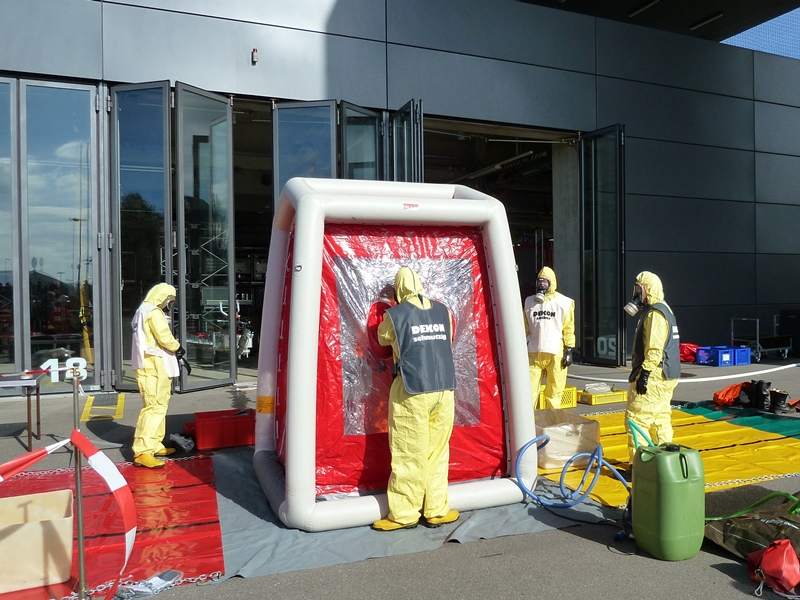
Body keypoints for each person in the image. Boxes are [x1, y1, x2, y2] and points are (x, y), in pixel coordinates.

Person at [372, 266, 459, 531]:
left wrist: (385, 309)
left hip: (412, 390)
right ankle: (436, 510)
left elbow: (382, 339)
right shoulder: (443, 311)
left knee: (409, 453)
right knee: (437, 452)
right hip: (444, 389)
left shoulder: (395, 315)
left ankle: (404, 514)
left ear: (398, 290)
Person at [624, 271, 680, 464]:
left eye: (640, 289)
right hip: (667, 374)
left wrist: (645, 374)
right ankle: (666, 463)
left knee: (637, 419)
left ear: (648, 289)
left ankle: (638, 466)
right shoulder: (664, 309)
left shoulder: (655, 314)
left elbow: (654, 348)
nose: (636, 294)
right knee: (660, 419)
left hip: (654, 376)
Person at [131, 283, 185, 468]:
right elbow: (164, 336)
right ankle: (143, 451)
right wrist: (177, 347)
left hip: (149, 364)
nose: (168, 303)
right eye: (169, 299)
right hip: (154, 364)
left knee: (159, 406)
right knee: (154, 407)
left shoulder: (141, 311)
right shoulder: (153, 312)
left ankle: (154, 444)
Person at [523, 266, 575, 409]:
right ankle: (530, 420)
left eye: (545, 282)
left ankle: (552, 420)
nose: (542, 285)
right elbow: (525, 328)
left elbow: (569, 328)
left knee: (554, 392)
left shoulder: (564, 303)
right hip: (534, 352)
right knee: (529, 392)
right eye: (539, 281)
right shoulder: (529, 302)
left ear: (552, 282)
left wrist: (569, 350)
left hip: (555, 353)